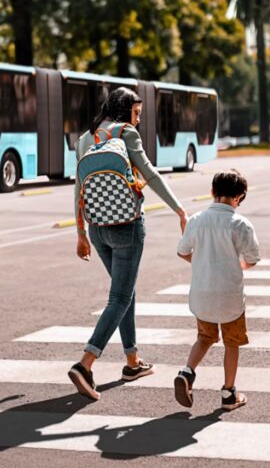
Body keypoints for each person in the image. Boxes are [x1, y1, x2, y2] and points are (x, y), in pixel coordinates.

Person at [68, 87, 189, 400]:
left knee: (125, 291)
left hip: (97, 229)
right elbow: (149, 173)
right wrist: (179, 209)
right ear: (124, 111)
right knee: (120, 296)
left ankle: (133, 362)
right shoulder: (126, 134)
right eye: (136, 113)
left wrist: (80, 233)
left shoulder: (86, 138)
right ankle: (85, 364)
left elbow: (79, 187)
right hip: (127, 227)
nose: (138, 119)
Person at [174, 169, 260, 411]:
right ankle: (228, 393)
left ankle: (187, 372)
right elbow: (252, 258)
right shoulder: (241, 224)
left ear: (212, 192)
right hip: (229, 296)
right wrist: (240, 265)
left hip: (203, 293)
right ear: (240, 197)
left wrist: (201, 262)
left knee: (204, 338)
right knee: (231, 342)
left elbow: (183, 251)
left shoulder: (196, 220)